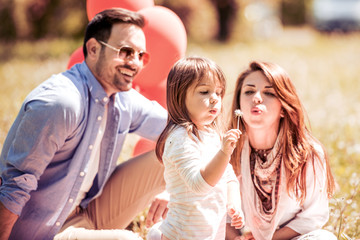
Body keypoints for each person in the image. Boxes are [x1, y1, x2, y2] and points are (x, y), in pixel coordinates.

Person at [0, 8, 169, 240]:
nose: (135, 63)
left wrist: (174, 189)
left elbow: (183, 130)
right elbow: (12, 186)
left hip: (86, 213)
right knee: (128, 239)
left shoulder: (123, 99)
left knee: (167, 157)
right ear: (93, 49)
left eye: (142, 56)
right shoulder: (61, 103)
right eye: (126, 52)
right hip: (43, 231)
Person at [226, 61, 336, 240]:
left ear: (284, 108)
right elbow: (214, 212)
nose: (257, 98)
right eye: (249, 91)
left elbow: (313, 216)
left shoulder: (308, 153)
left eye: (269, 93)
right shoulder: (225, 150)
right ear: (238, 105)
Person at [147, 56, 244, 240]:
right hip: (182, 233)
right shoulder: (179, 138)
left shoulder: (212, 135)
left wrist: (234, 204)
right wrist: (224, 153)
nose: (214, 98)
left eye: (219, 92)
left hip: (211, 230)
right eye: (204, 92)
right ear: (180, 96)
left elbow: (229, 177)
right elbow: (198, 185)